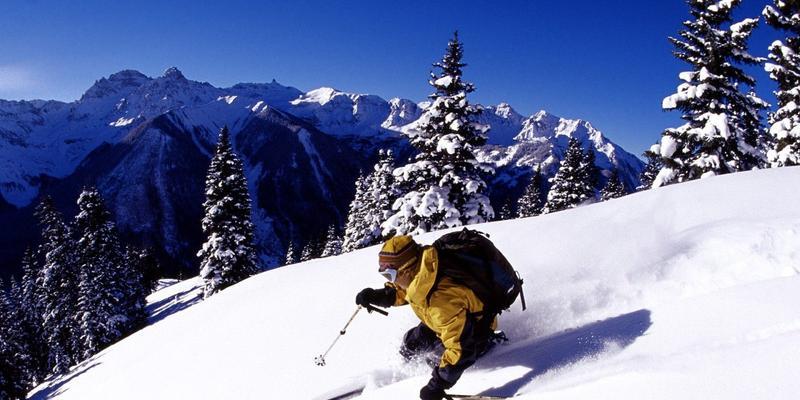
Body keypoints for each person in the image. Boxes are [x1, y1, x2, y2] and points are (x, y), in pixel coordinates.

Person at [356, 235, 500, 400]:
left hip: (474, 330)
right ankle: (403, 371)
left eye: (390, 275)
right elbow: (404, 291)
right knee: (411, 344)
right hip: (440, 323)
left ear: (407, 268)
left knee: (438, 360)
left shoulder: (440, 300)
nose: (389, 280)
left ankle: (491, 343)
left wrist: (436, 386)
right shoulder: (421, 272)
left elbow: (461, 350)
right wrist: (376, 296)